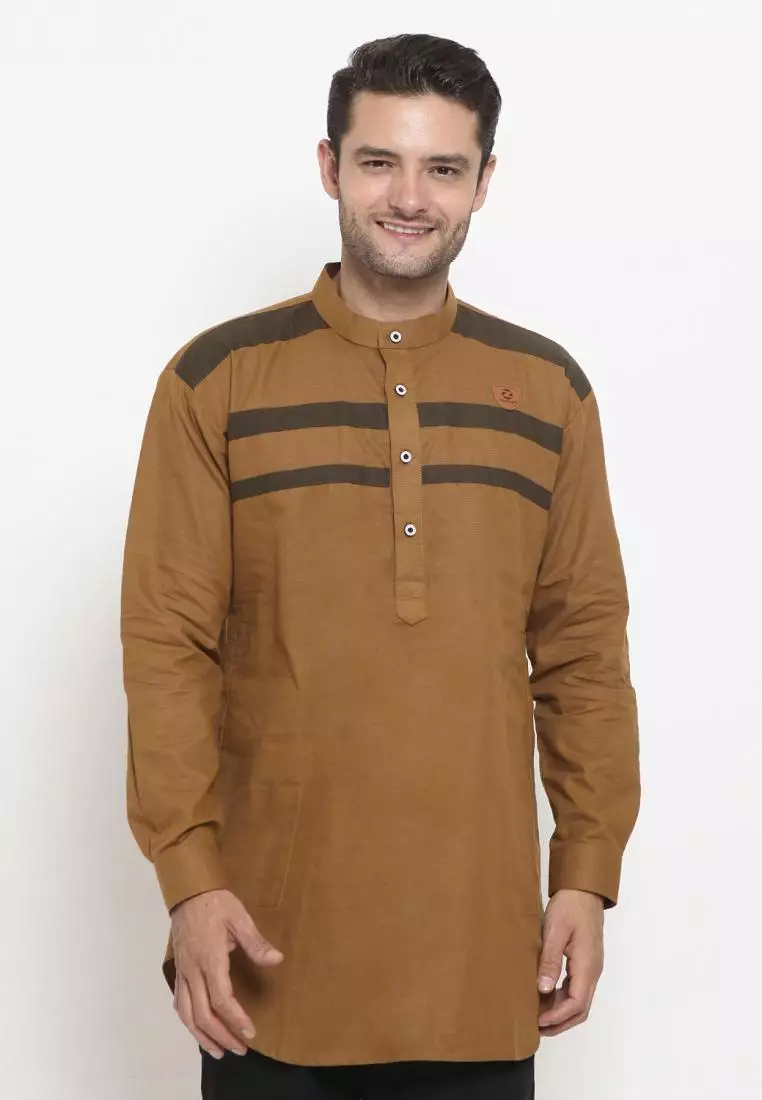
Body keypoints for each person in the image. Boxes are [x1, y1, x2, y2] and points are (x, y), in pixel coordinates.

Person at [120, 32, 640, 1100]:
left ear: (483, 182)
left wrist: (588, 874)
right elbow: (167, 648)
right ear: (330, 167)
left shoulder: (549, 392)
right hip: (264, 957)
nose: (409, 197)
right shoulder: (216, 381)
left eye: (443, 167)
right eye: (378, 162)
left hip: (480, 961)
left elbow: (584, 652)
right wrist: (188, 880)